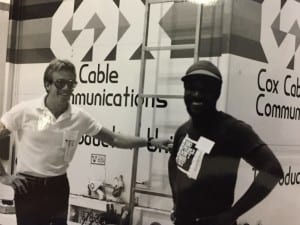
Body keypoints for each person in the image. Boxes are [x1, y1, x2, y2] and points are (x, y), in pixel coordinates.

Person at [0, 59, 171, 225]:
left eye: (71, 83)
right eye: (60, 83)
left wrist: (151, 141)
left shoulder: (79, 117)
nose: (67, 88)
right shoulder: (25, 110)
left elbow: (114, 139)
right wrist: (4, 176)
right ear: (47, 85)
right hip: (28, 187)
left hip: (58, 186)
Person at [168, 60, 284, 225]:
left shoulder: (233, 130)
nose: (196, 94)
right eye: (191, 88)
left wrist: (231, 215)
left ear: (217, 93)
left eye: (205, 89)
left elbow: (272, 170)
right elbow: (173, 162)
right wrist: (176, 201)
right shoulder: (183, 130)